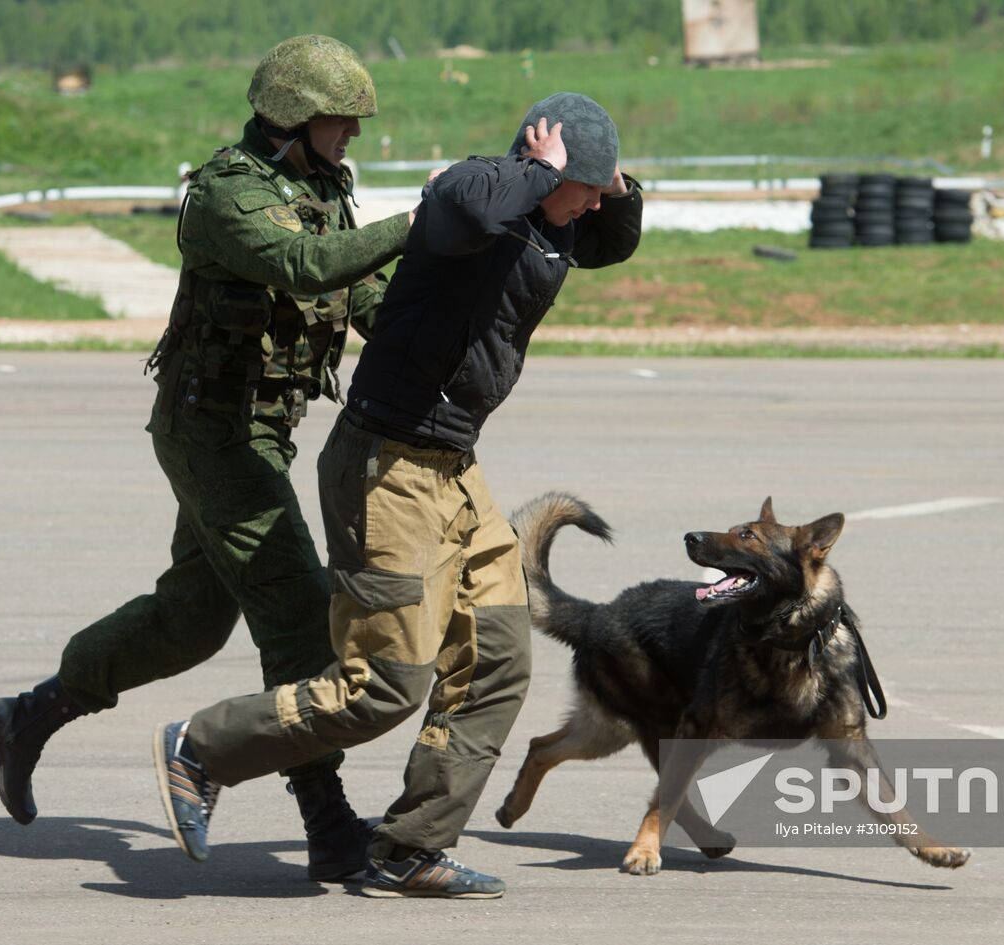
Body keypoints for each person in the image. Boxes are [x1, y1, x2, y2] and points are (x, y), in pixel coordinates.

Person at [151, 92, 643, 899]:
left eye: (596, 187)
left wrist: (611, 183)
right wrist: (539, 169)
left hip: (454, 467)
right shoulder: (473, 194)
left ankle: (411, 844)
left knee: (499, 658)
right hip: (386, 467)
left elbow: (612, 239)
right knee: (385, 685)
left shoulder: (555, 222)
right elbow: (467, 204)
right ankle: (202, 747)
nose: (591, 200)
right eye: (581, 183)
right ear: (536, 160)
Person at [0, 34, 415, 882]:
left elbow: (358, 296)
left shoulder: (319, 183)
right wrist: (419, 221)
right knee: (298, 607)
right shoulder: (227, 193)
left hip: (262, 433)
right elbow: (302, 264)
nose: (351, 139)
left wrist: (446, 297)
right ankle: (327, 823)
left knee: (192, 619)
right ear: (295, 118)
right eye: (340, 123)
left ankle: (28, 714)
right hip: (211, 432)